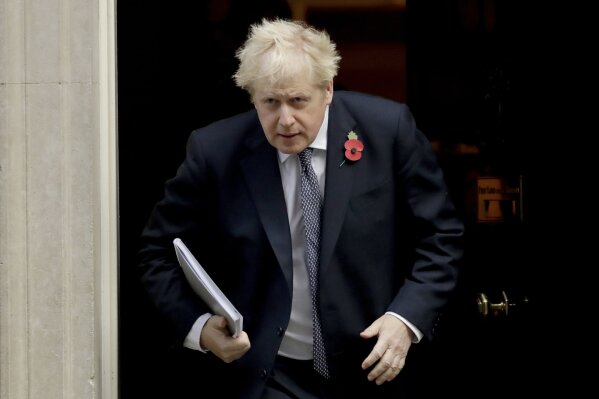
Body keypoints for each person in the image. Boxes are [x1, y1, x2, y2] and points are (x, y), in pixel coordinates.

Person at [137, 18, 464, 399]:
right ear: (252, 98)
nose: (285, 119)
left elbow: (442, 238)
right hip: (268, 373)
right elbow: (156, 254)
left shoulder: (387, 131)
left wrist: (405, 320)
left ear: (327, 90)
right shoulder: (215, 151)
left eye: (298, 101)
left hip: (373, 368)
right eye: (270, 102)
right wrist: (199, 327)